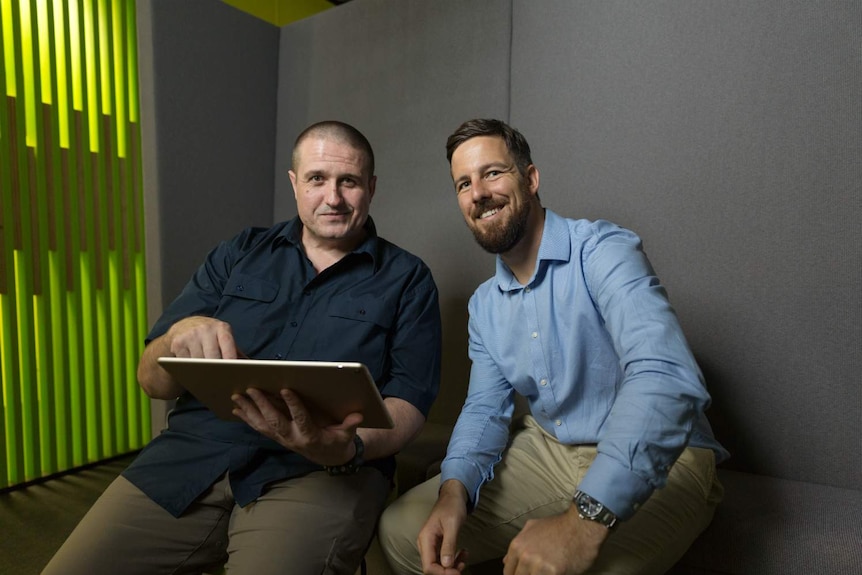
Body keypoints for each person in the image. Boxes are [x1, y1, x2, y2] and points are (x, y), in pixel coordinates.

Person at [43, 121, 442, 575]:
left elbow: (409, 402)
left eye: (347, 181)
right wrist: (176, 336)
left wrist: (345, 450)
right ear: (294, 183)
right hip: (192, 457)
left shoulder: (408, 278)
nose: (332, 198)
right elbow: (151, 381)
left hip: (317, 474)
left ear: (370, 188)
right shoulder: (238, 253)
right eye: (316, 179)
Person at [378, 119, 728, 575]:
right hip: (550, 451)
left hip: (671, 456)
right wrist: (453, 490)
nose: (478, 192)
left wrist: (584, 521)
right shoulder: (485, 306)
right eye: (464, 183)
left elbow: (666, 376)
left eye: (493, 173)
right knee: (403, 530)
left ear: (531, 178)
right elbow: (485, 409)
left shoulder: (603, 250)